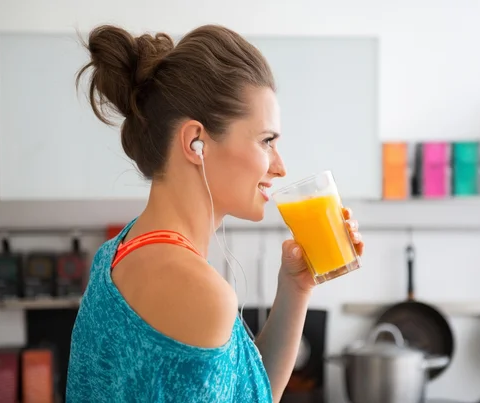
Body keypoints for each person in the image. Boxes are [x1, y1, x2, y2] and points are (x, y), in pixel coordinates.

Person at [65, 23, 364, 403]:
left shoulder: (118, 251)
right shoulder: (199, 292)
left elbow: (249, 391)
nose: (280, 166)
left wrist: (296, 286)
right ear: (196, 143)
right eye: (266, 141)